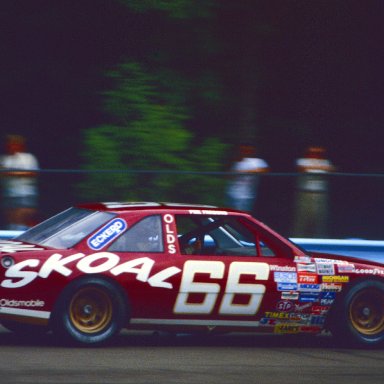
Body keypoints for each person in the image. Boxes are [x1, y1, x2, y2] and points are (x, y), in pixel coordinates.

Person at [292, 146, 335, 238]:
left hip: (320, 193)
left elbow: (331, 169)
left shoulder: (326, 162)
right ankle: (299, 237)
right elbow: (302, 169)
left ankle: (319, 237)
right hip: (305, 192)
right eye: (313, 152)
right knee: (302, 217)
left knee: (319, 217)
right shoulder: (302, 160)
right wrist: (321, 168)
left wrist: (315, 167)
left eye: (317, 152)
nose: (315, 154)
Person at [0, 135, 39, 230]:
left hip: (24, 193)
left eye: (14, 144)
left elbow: (32, 172)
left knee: (22, 221)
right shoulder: (5, 159)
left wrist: (11, 173)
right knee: (12, 222)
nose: (11, 146)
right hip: (9, 194)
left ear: (20, 145)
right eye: (10, 144)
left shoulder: (28, 158)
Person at [226, 144, 269, 212]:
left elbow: (265, 170)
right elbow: (229, 176)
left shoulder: (256, 161)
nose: (245, 152)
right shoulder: (236, 162)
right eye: (243, 150)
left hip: (247, 195)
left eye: (247, 150)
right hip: (232, 194)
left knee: (242, 216)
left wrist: (246, 171)